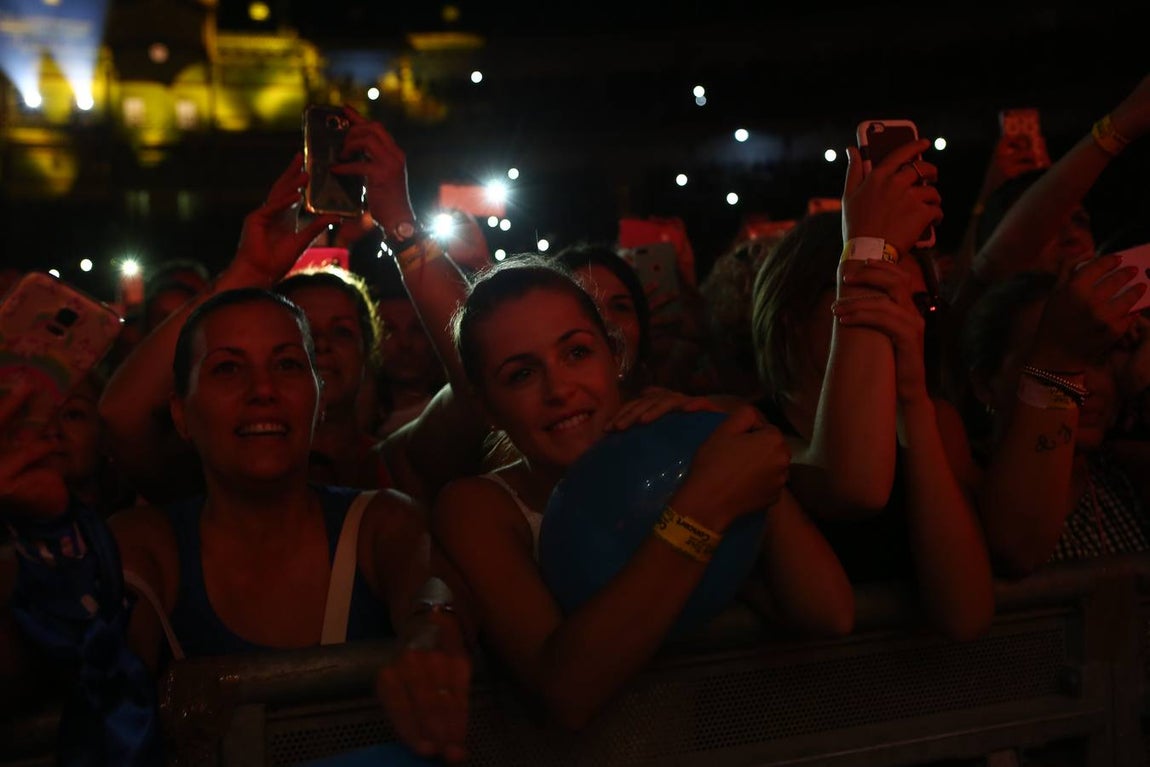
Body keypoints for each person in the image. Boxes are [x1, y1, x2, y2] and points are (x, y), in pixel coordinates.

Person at [2, 287, 474, 764]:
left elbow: (427, 585)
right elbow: (98, 662)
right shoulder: (147, 542)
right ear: (182, 414)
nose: (263, 390)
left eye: (287, 364)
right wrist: (46, 532)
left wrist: (431, 636)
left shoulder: (379, 520)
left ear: (319, 399)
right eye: (228, 368)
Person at [431, 255, 854, 731]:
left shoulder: (687, 455)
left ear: (614, 357)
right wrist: (704, 504)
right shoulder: (479, 507)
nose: (559, 389)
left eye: (576, 353)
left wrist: (723, 446)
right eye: (521, 374)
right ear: (486, 406)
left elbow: (830, 613)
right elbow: (567, 693)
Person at [748, 134, 994, 641]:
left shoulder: (933, 422)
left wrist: (912, 405)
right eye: (880, 294)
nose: (902, 320)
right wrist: (862, 253)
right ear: (794, 314)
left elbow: (965, 614)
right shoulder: (744, 431)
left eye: (919, 306)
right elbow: (850, 482)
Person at [961, 263, 1150, 575]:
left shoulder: (1123, 478)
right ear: (985, 384)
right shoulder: (962, 483)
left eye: (1099, 359)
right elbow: (1017, 548)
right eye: (1049, 359)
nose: (1083, 383)